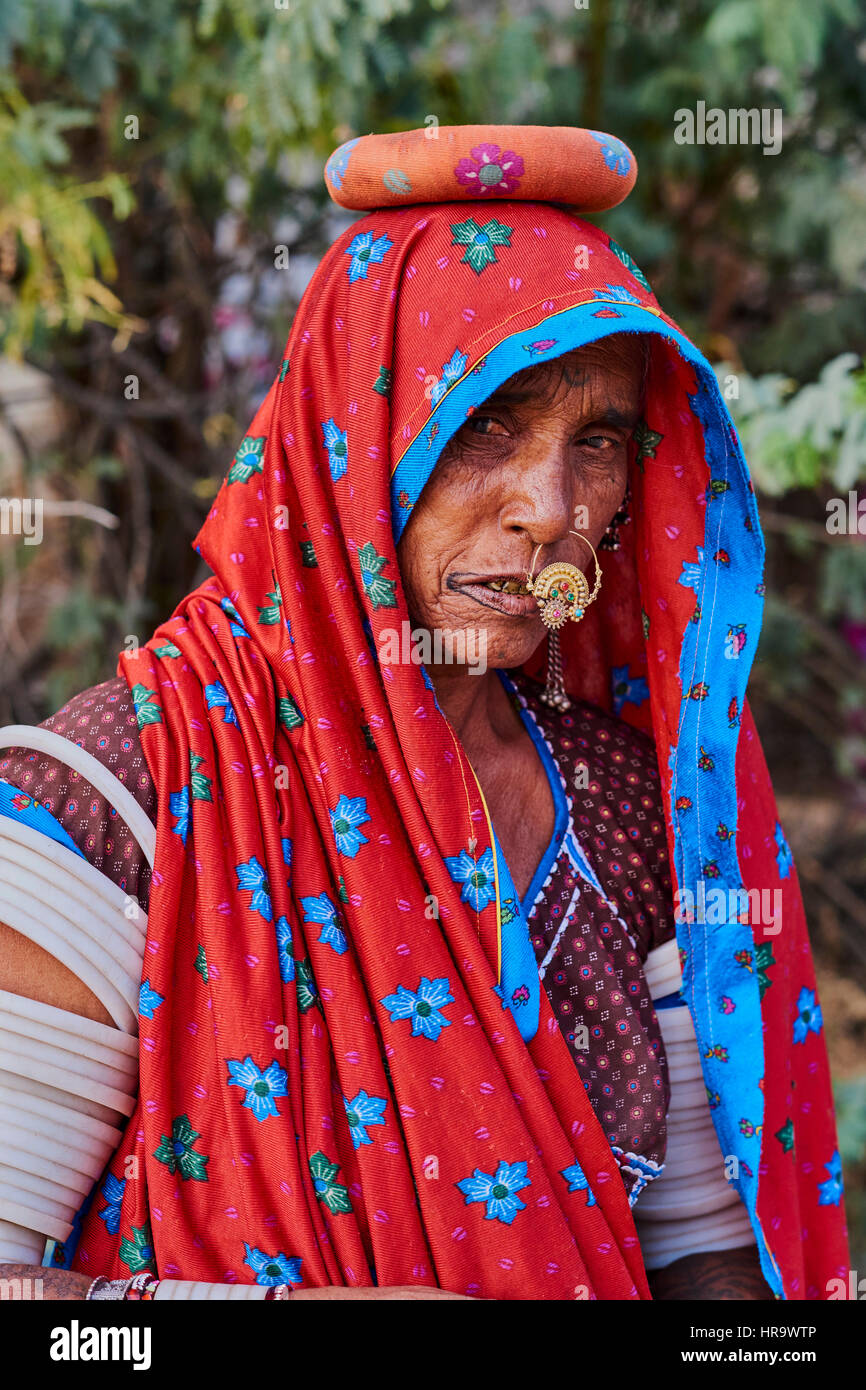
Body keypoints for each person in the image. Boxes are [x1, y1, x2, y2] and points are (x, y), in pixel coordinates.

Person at [0, 125, 848, 1300]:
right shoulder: (114, 798)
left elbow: (706, 1263)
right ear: (351, 438)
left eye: (595, 440)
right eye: (485, 427)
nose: (549, 508)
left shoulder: (625, 811)